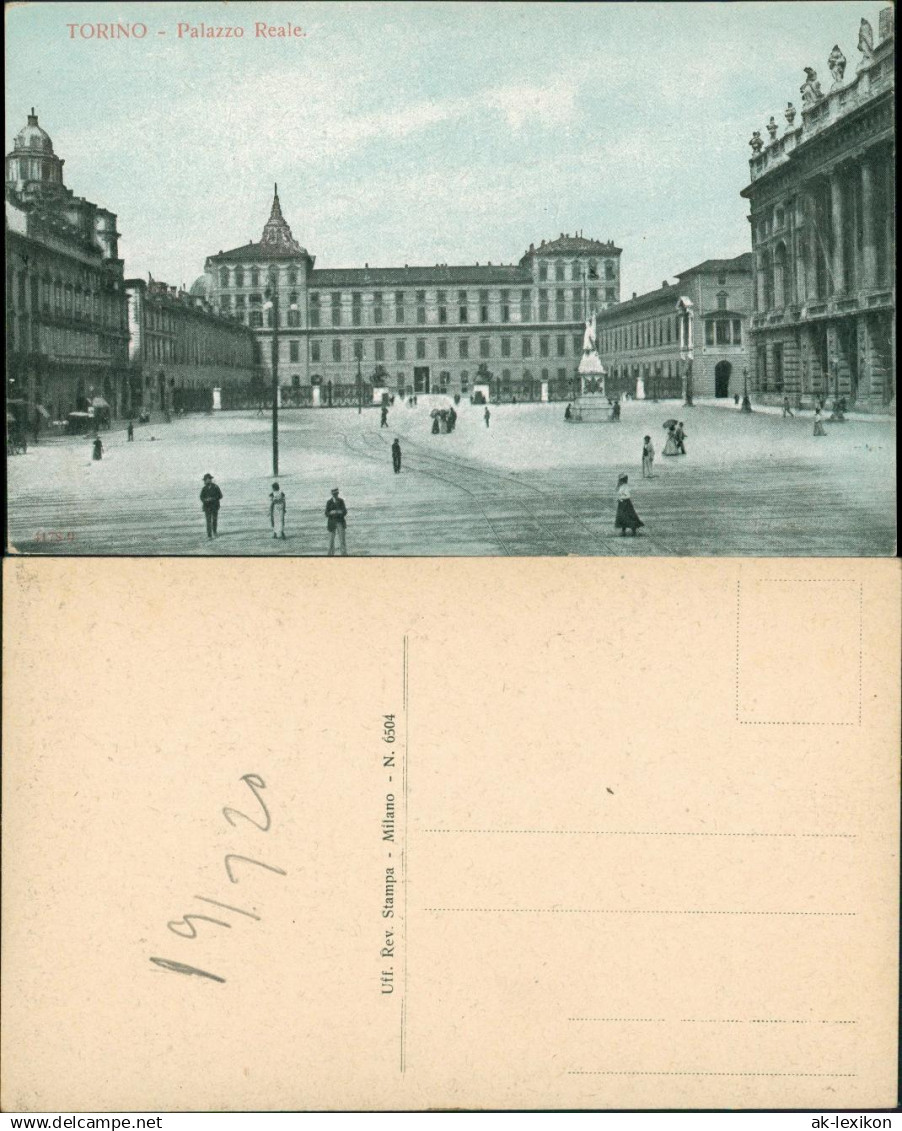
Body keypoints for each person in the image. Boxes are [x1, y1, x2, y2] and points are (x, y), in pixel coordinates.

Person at [325, 486, 348, 556]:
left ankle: (344, 556)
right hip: (331, 524)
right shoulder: (329, 502)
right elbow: (326, 513)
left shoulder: (341, 501)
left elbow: (345, 512)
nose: (335, 495)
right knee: (330, 543)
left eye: (336, 494)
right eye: (334, 494)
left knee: (342, 542)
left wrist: (339, 512)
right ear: (332, 494)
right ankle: (330, 557)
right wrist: (330, 513)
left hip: (340, 522)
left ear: (338, 493)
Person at [200, 472, 223, 539]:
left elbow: (220, 496)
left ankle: (215, 532)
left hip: (215, 506)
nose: (207, 480)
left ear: (210, 479)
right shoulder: (204, 488)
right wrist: (205, 500)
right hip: (207, 507)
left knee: (214, 520)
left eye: (209, 479)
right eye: (206, 479)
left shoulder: (215, 487)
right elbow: (201, 497)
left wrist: (213, 499)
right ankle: (209, 535)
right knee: (208, 521)